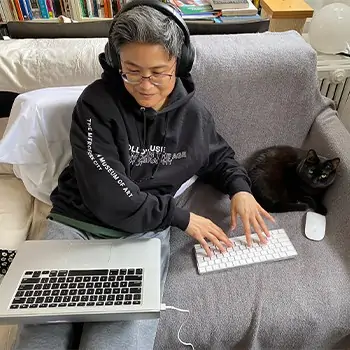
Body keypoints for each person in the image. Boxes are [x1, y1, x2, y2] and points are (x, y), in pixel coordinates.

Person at [15, 1, 274, 349]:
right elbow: (108, 194)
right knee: (41, 335)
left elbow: (217, 155)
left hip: (141, 237)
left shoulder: (193, 115)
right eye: (132, 71)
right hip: (76, 226)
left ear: (179, 64)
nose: (146, 85)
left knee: (115, 342)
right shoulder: (96, 104)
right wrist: (179, 217)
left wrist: (241, 189)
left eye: (159, 72)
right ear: (115, 63)